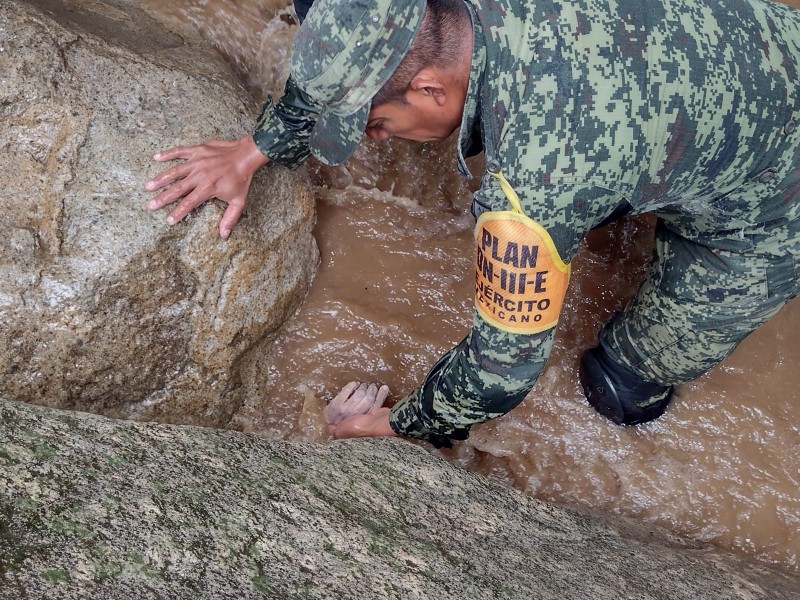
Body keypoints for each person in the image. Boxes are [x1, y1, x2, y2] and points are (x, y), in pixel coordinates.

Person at [145, 0, 800, 447]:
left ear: (432, 90)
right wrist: (258, 149)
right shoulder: (444, 19)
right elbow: (349, 35)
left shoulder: (535, 177)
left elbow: (500, 373)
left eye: (374, 124)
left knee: (618, 382)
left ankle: (636, 372)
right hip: (756, 40)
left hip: (773, 207)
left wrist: (398, 426)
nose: (372, 139)